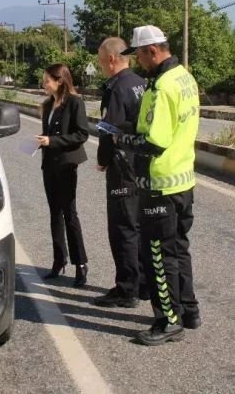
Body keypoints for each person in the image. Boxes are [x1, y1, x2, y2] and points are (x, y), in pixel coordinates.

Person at [115, 24, 201, 346]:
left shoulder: (163, 86)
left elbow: (154, 141)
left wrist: (120, 138)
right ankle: (189, 310)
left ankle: (168, 320)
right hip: (183, 180)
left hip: (160, 183)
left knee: (157, 254)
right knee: (178, 247)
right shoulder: (185, 77)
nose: (137, 61)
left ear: (153, 51)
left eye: (138, 54)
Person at [92, 37, 147, 308]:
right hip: (142, 163)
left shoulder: (116, 89)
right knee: (138, 226)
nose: (101, 67)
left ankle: (127, 290)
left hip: (122, 165)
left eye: (101, 61)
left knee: (122, 229)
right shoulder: (141, 83)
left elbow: (108, 129)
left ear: (111, 59)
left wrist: (102, 160)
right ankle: (142, 284)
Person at [37, 63, 90, 288]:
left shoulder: (75, 102)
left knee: (70, 213)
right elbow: (49, 134)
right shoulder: (48, 105)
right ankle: (59, 259)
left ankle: (81, 264)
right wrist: (40, 141)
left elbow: (81, 134)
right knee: (54, 213)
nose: (44, 83)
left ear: (59, 81)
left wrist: (53, 141)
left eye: (47, 79)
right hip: (49, 164)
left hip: (67, 164)